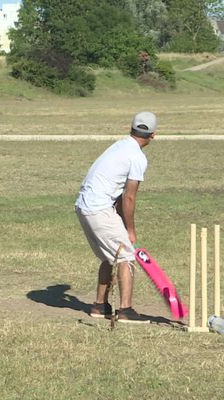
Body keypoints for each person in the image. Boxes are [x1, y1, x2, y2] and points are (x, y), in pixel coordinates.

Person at [75, 111, 157, 323]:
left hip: (84, 206)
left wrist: (120, 220)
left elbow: (120, 195)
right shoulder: (137, 157)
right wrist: (130, 230)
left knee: (108, 255)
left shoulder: (119, 146)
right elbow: (129, 197)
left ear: (131, 128)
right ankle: (125, 310)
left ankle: (99, 306)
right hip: (99, 208)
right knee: (126, 256)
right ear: (153, 135)